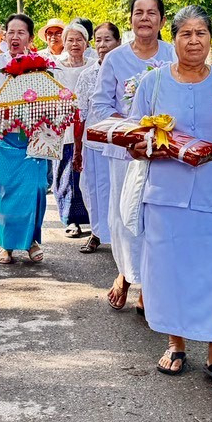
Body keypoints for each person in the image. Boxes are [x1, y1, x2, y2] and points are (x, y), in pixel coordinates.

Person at [130, 7, 212, 386]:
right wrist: (145, 147)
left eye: (201, 33)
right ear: (174, 39)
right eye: (186, 33)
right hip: (164, 196)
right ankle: (175, 345)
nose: (194, 40)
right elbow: (134, 139)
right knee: (169, 275)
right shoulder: (152, 84)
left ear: (211, 38)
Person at [89, 0, 173, 313]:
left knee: (157, 219)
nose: (145, 18)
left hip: (164, 152)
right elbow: (100, 105)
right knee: (125, 219)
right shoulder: (115, 59)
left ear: (162, 21)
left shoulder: (173, 55)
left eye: (152, 13)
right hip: (126, 152)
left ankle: (149, 286)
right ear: (131, 19)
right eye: (139, 12)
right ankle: (126, 275)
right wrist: (133, 128)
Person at [0, 14, 49, 264]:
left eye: (21, 32)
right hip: (0, 137)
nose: (14, 37)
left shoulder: (41, 65)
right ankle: (5, 244)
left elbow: (49, 98)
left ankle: (31, 241)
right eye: (10, 32)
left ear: (29, 38)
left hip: (30, 139)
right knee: (0, 190)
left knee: (35, 189)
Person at [77, 22, 120, 254]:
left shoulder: (126, 71)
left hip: (121, 143)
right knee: (92, 189)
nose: (102, 45)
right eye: (99, 40)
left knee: (117, 190)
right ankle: (96, 233)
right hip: (93, 142)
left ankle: (119, 239)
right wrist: (77, 150)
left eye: (108, 40)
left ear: (118, 43)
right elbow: (81, 114)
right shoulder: (87, 75)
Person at [52, 22, 95, 238]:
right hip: (63, 125)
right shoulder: (55, 67)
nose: (75, 44)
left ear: (86, 43)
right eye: (70, 40)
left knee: (86, 173)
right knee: (65, 174)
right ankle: (70, 220)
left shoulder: (95, 65)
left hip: (87, 124)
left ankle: (92, 218)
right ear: (64, 43)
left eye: (79, 39)